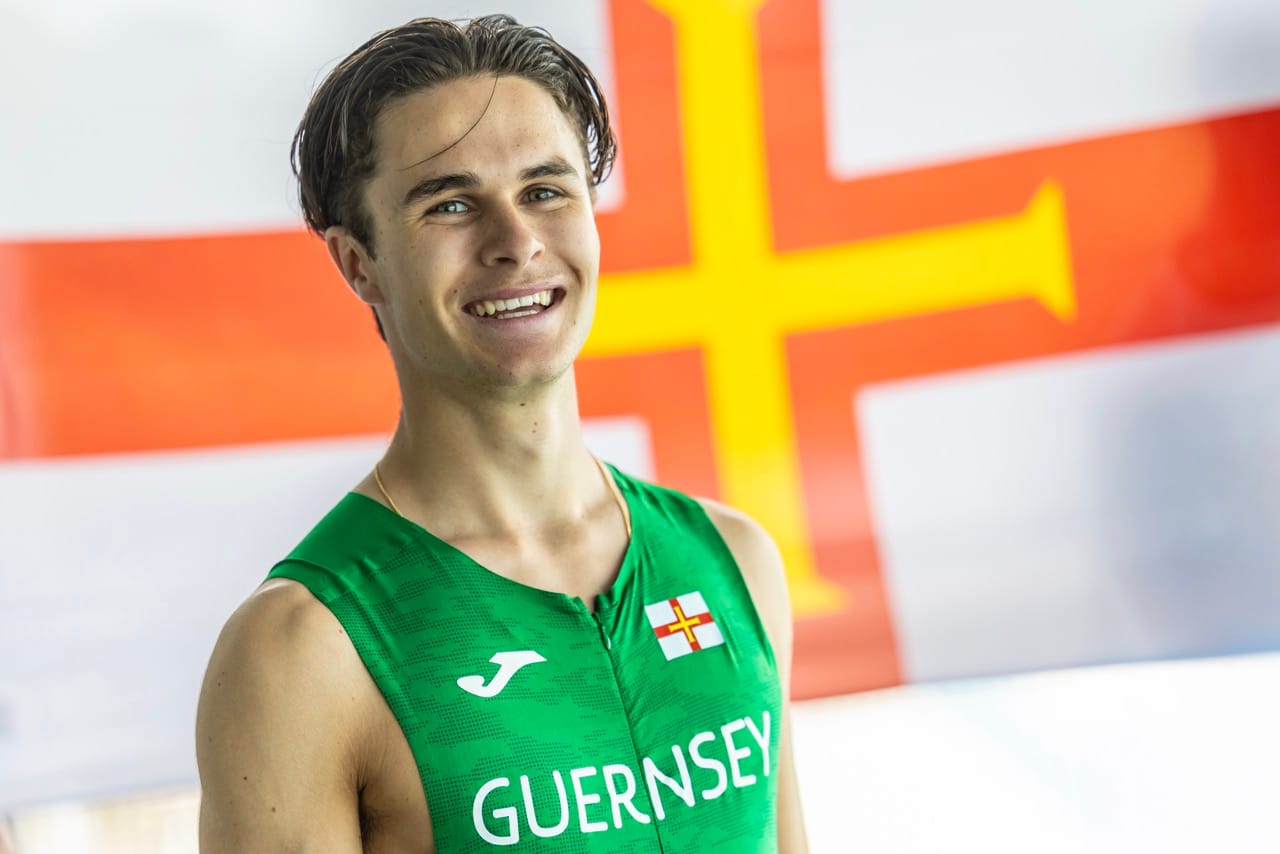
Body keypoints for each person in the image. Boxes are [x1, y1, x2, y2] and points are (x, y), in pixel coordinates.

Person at [196, 14, 808, 852]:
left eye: (545, 191)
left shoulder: (732, 561)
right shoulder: (302, 649)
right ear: (359, 263)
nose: (516, 244)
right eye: (450, 205)